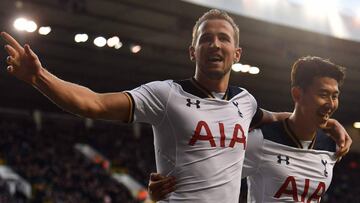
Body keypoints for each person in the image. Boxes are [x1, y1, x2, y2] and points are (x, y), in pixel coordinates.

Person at [1, 9, 351, 203]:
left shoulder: (245, 102)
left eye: (224, 39)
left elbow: (280, 116)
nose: (215, 44)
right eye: (206, 39)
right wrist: (39, 77)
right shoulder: (165, 95)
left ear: (237, 54)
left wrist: (327, 124)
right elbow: (93, 104)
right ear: (192, 51)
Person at [147, 56, 348, 202]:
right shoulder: (260, 140)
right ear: (297, 94)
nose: (331, 103)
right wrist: (165, 190)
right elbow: (210, 173)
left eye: (335, 95)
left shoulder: (332, 146)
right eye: (323, 94)